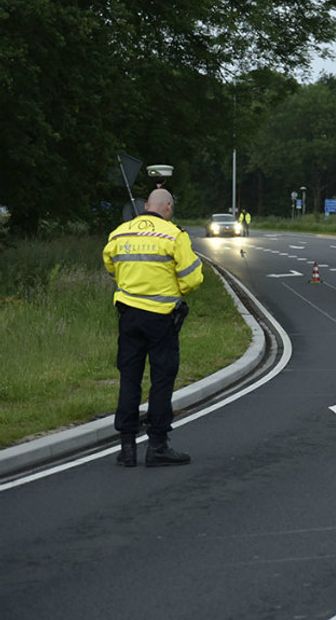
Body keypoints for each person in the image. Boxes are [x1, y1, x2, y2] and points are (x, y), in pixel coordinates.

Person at [102, 188, 203, 467]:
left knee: (129, 378)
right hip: (161, 317)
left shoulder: (120, 233)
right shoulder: (174, 235)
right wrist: (175, 289)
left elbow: (110, 263)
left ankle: (127, 448)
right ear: (168, 208)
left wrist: (129, 283)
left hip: (129, 316)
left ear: (146, 205)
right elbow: (193, 278)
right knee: (161, 380)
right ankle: (157, 445)